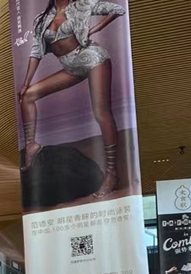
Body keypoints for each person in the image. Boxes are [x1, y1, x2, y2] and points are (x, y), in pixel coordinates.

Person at [19, 0, 126, 194]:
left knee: (101, 113)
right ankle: (31, 147)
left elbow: (118, 9)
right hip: (71, 67)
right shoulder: (41, 19)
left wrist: (95, 29)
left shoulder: (83, 4)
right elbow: (36, 52)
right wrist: (26, 82)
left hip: (94, 59)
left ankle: (112, 174)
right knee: (27, 96)